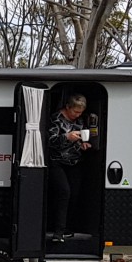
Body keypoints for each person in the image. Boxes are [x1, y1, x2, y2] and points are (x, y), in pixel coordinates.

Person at [46, 93, 94, 237]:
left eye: (80, 112)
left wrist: (83, 144)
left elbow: (79, 140)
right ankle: (58, 230)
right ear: (67, 107)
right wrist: (66, 137)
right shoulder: (55, 119)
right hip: (56, 161)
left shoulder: (80, 121)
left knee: (74, 194)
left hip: (74, 162)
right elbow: (49, 141)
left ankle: (67, 226)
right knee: (63, 192)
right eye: (75, 111)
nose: (77, 115)